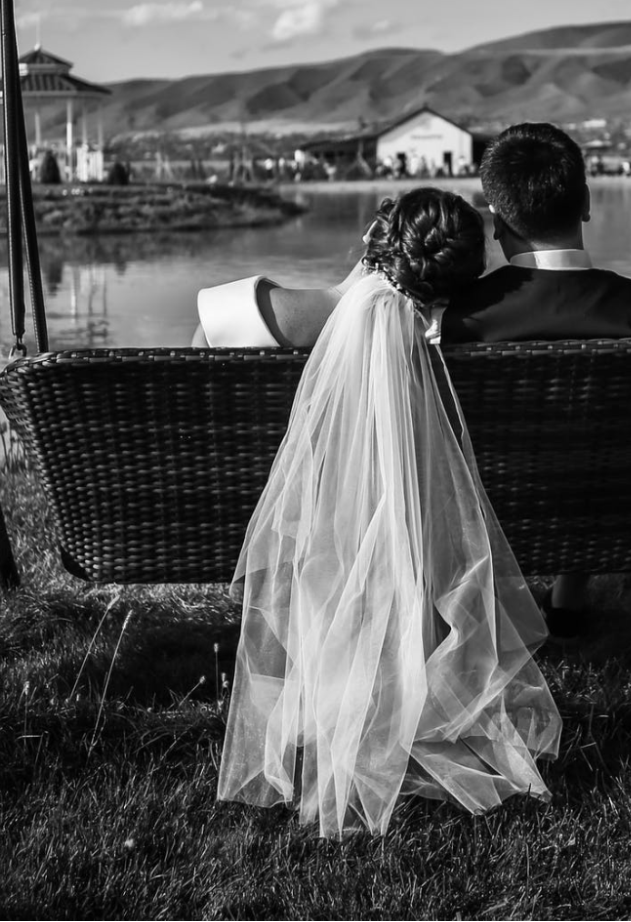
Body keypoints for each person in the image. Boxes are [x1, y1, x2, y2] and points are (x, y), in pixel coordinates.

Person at [216, 188, 561, 838]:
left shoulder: (352, 317)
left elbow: (214, 318)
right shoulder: (417, 336)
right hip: (417, 552)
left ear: (381, 241)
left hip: (317, 534)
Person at [441, 122, 631, 633]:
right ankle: (570, 596)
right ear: (585, 204)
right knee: (593, 442)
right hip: (618, 517)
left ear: (495, 221)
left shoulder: (450, 320)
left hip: (485, 513)